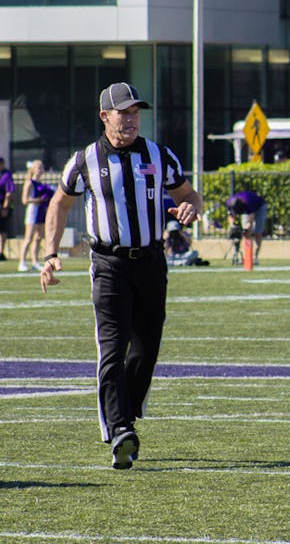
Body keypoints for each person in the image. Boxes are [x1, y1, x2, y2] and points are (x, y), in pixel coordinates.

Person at [39, 82, 203, 470]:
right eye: (122, 112)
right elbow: (58, 205)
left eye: (135, 112)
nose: (130, 119)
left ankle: (122, 416)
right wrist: (50, 252)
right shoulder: (85, 160)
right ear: (104, 116)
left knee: (146, 348)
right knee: (111, 348)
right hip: (108, 264)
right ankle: (120, 429)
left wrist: (192, 208)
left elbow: (189, 195)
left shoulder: (159, 155)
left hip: (150, 262)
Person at [18, 159, 52, 272]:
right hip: (32, 211)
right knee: (28, 238)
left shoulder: (41, 184)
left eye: (42, 168)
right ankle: (22, 262)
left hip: (40, 211)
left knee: (38, 238)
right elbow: (24, 200)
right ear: (33, 169)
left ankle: (35, 262)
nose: (41, 170)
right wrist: (38, 200)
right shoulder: (29, 182)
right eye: (39, 168)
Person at [225, 189, 266, 265]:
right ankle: (246, 257)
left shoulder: (248, 204)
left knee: (257, 232)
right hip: (247, 208)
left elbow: (250, 221)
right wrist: (233, 226)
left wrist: (246, 228)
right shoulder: (229, 203)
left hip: (260, 207)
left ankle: (254, 257)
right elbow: (230, 216)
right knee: (246, 235)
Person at [0, 156, 14, 260]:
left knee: (2, 229)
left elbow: (9, 192)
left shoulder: (6, 175)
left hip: (2, 204)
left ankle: (1, 252)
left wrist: (5, 207)